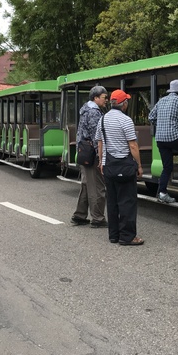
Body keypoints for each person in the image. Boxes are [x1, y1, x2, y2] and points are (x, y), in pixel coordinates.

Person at [95, 89, 144, 246]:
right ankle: (127, 236)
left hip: (108, 166)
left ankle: (114, 235)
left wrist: (101, 162)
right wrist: (139, 165)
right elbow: (133, 145)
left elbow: (100, 143)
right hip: (124, 166)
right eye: (127, 101)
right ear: (124, 104)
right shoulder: (126, 120)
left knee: (112, 201)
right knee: (127, 201)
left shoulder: (102, 120)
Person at [71, 86, 109, 227]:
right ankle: (98, 218)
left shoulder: (85, 109)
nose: (106, 100)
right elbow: (96, 136)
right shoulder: (94, 113)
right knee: (97, 186)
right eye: (104, 97)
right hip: (92, 153)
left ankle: (80, 215)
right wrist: (101, 155)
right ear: (96, 98)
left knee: (87, 185)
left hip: (84, 152)